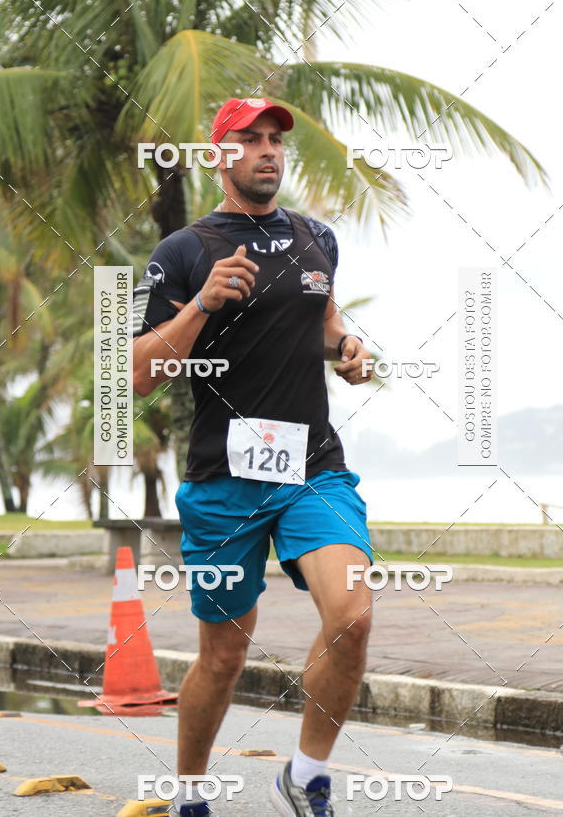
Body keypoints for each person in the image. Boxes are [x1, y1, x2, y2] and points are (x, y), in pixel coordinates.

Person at [132, 97, 374, 816]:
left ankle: (305, 775)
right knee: (224, 656)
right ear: (218, 156)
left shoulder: (315, 239)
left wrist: (350, 351)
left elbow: (325, 326)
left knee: (354, 616)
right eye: (251, 140)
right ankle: (189, 791)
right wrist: (201, 303)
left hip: (313, 470)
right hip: (224, 483)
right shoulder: (182, 252)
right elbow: (139, 373)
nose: (269, 151)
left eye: (275, 140)